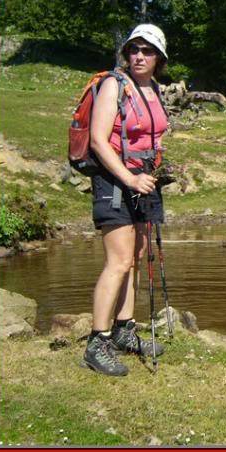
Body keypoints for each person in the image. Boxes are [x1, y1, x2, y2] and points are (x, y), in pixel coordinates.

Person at [81, 24, 170, 376]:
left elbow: (156, 134)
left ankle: (124, 330)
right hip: (115, 181)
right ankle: (97, 342)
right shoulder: (113, 86)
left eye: (147, 51)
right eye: (134, 49)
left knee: (134, 259)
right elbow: (98, 140)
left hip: (145, 182)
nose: (139, 56)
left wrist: (153, 169)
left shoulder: (153, 89)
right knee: (117, 262)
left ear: (159, 57)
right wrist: (129, 177)